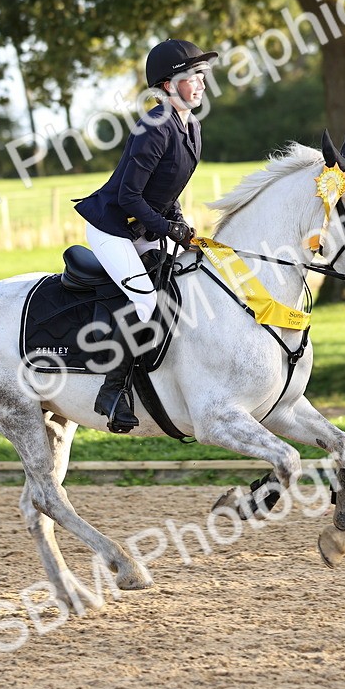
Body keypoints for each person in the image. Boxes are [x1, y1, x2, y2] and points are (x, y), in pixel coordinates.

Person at [73, 38, 216, 433]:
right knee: (146, 298)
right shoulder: (153, 127)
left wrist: (180, 223)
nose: (201, 83)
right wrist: (167, 228)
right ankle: (112, 391)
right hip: (112, 227)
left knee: (183, 286)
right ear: (169, 85)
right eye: (193, 76)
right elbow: (128, 195)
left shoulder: (192, 128)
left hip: (144, 223)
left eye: (203, 76)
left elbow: (167, 191)